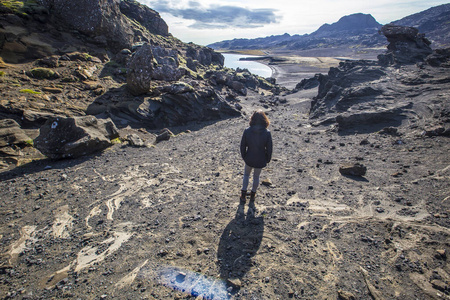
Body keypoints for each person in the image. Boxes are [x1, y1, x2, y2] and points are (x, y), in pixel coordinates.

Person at [240, 110, 272, 203]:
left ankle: (243, 195)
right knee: (256, 177)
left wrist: (244, 156)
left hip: (249, 157)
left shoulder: (247, 131)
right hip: (260, 158)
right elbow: (269, 148)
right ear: (264, 119)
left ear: (252, 118)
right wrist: (267, 159)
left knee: (246, 175)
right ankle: (253, 195)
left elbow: (243, 145)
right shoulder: (267, 132)